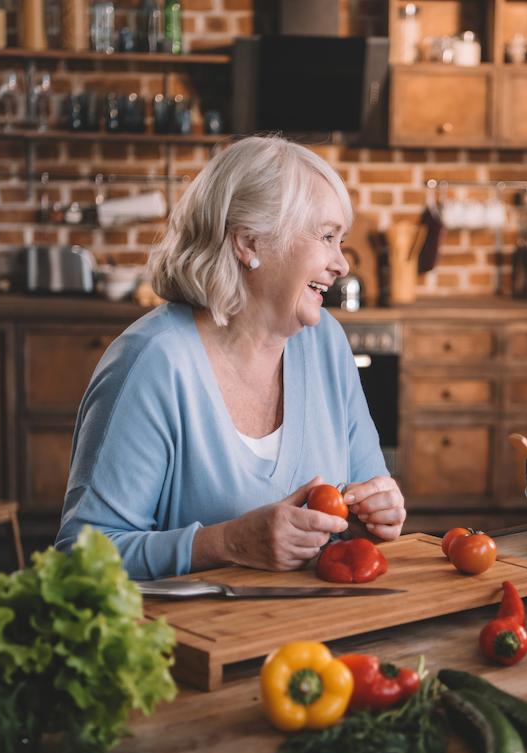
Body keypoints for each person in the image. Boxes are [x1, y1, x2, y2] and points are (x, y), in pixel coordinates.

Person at [56, 135, 405, 579]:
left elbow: (367, 495)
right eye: (326, 237)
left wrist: (375, 513)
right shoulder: (152, 362)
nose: (342, 264)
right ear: (249, 243)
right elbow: (81, 560)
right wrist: (227, 543)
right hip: (186, 640)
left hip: (313, 635)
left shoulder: (326, 344)